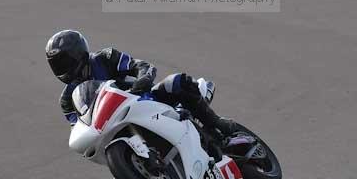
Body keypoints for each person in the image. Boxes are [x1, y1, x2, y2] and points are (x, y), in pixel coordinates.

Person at [45, 29, 237, 137]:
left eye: (65, 61)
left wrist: (143, 80)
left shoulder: (105, 58)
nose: (62, 68)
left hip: (143, 99)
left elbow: (142, 66)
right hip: (115, 127)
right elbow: (79, 127)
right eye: (57, 64)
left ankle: (215, 122)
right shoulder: (67, 100)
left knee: (178, 82)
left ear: (79, 54)